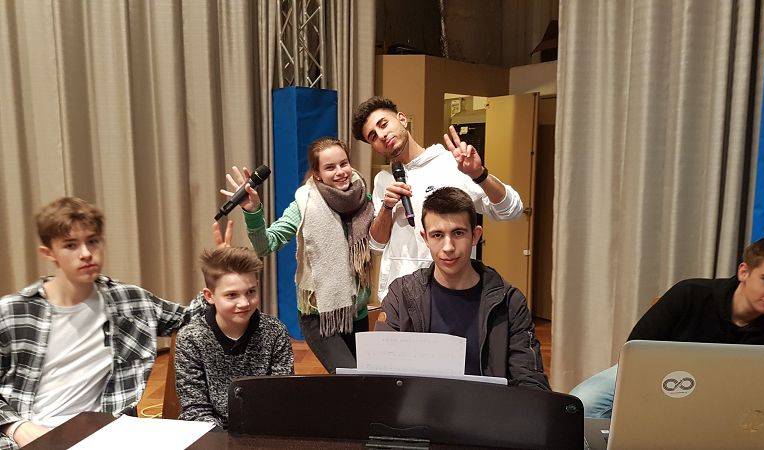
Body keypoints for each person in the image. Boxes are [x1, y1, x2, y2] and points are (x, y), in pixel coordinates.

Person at [0, 197, 206, 449]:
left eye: (93, 241)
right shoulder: (13, 312)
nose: (86, 253)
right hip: (33, 436)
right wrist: (17, 427)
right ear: (48, 253)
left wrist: (220, 274)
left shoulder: (129, 301)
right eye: (71, 245)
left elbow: (194, 317)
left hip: (108, 435)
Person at [571, 237, 764, 418]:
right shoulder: (690, 293)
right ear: (744, 272)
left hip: (725, 395)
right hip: (658, 375)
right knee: (581, 404)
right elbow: (635, 352)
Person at [221, 137, 374, 373]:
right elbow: (265, 245)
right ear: (317, 174)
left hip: (357, 312)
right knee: (350, 377)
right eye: (330, 167)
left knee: (364, 380)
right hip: (319, 315)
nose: (340, 172)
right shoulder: (304, 204)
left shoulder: (363, 197)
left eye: (344, 163)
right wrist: (253, 212)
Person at [352, 96, 525, 300]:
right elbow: (377, 245)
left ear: (402, 119)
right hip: (400, 296)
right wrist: (387, 208)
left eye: (383, 124)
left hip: (450, 292)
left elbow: (511, 210)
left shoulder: (451, 164)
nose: (381, 135)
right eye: (373, 136)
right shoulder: (384, 180)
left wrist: (480, 175)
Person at [375, 187, 550, 390]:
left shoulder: (509, 302)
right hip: (420, 407)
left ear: (475, 236)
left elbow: (530, 381)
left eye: (458, 233)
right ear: (425, 239)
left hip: (487, 407)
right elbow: (382, 376)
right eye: (437, 235)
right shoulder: (401, 295)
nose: (448, 247)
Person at [175, 246, 294, 428]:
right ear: (209, 296)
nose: (244, 303)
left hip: (265, 429)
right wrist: (223, 439)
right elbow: (195, 409)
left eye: (251, 292)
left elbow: (281, 396)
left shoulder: (275, 331)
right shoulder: (190, 338)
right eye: (232, 295)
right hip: (211, 433)